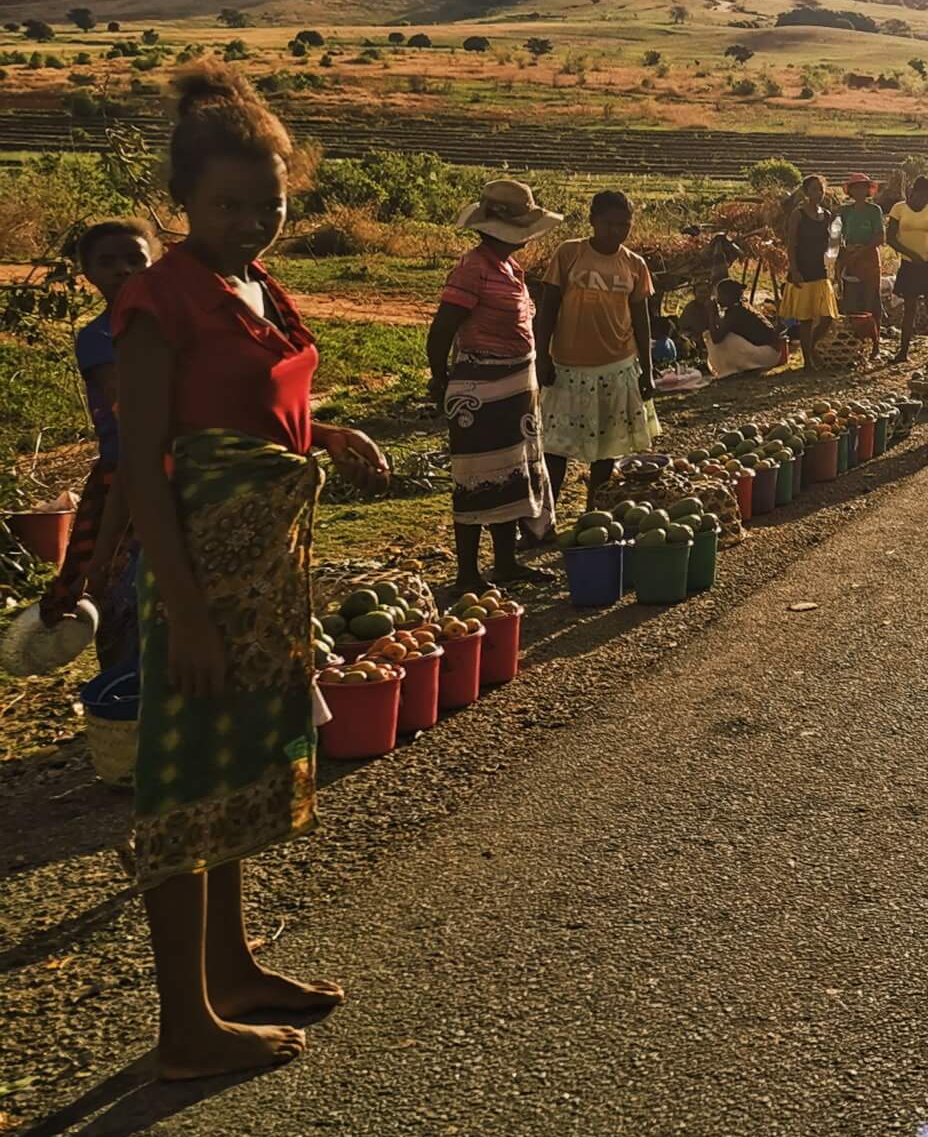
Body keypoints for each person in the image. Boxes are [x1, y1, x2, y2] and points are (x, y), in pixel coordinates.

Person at [114, 66, 389, 1079]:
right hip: (201, 580)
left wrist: (332, 431)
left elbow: (254, 403)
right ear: (183, 201)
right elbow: (144, 463)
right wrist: (182, 615)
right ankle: (183, 1026)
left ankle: (228, 974)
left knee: (233, 771)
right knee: (184, 783)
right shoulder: (158, 298)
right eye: (228, 205)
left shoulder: (256, 284)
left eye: (267, 206)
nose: (250, 223)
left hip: (264, 572)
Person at [426, 179, 559, 593]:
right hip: (481, 388)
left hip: (515, 386)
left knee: (511, 473)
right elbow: (443, 327)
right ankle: (468, 572)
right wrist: (440, 376)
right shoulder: (473, 268)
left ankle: (505, 562)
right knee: (476, 476)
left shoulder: (509, 267)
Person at [41, 220, 157, 671]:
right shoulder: (99, 337)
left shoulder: (177, 325)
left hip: (175, 466)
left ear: (153, 264)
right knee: (115, 583)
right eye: (107, 262)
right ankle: (125, 692)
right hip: (124, 472)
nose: (123, 270)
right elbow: (129, 417)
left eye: (135, 259)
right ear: (86, 271)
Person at [534, 190, 659, 510]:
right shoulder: (569, 254)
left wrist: (646, 368)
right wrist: (542, 356)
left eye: (624, 224)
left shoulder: (634, 264)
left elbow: (641, 321)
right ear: (593, 221)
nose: (617, 231)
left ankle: (595, 511)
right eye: (609, 223)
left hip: (617, 366)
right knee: (555, 447)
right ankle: (545, 517)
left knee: (607, 447)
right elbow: (547, 310)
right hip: (568, 365)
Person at [774, 173, 836, 371]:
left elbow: (831, 243)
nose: (818, 193)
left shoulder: (826, 215)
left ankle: (811, 347)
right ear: (806, 192)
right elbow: (792, 244)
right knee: (806, 319)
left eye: (821, 189)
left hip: (820, 268)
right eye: (814, 189)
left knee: (828, 316)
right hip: (802, 269)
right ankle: (808, 362)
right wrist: (794, 269)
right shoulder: (798, 214)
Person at [883, 175, 928, 360]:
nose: (926, 199)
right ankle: (903, 352)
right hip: (910, 265)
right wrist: (911, 255)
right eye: (923, 194)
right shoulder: (899, 209)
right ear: (914, 192)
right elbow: (891, 238)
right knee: (909, 309)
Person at [834, 173, 886, 356]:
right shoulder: (845, 211)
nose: (859, 191)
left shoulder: (874, 210)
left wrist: (861, 251)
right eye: (855, 187)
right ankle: (856, 344)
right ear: (851, 191)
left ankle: (876, 344)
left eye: (863, 187)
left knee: (872, 301)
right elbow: (837, 234)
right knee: (851, 301)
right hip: (850, 258)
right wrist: (846, 251)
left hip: (869, 258)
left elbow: (880, 236)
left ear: (868, 190)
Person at [705, 280, 789, 378]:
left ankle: (730, 370)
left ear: (729, 296)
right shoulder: (739, 308)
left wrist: (710, 314)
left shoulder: (736, 312)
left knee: (726, 339)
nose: (717, 299)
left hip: (769, 356)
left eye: (720, 295)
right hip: (771, 354)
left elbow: (716, 338)